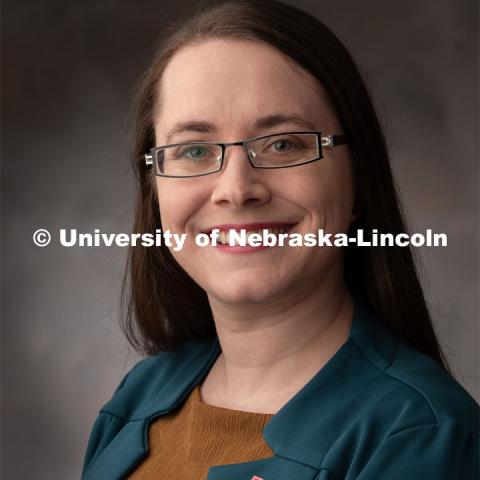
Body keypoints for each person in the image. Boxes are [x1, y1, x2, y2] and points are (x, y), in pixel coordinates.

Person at [81, 1, 479, 479]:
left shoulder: (423, 436)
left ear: (357, 181)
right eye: (193, 150)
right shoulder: (138, 398)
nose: (235, 190)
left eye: (284, 144)